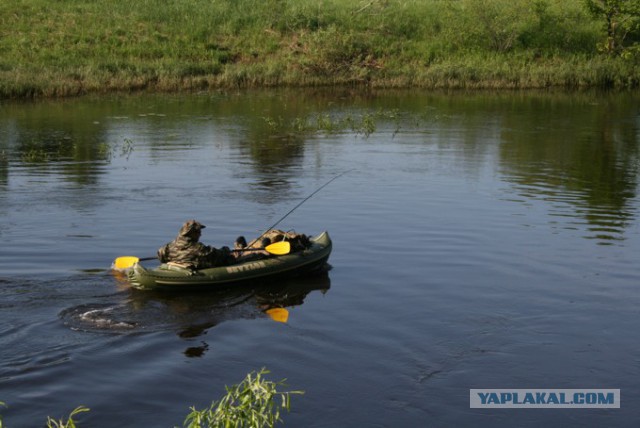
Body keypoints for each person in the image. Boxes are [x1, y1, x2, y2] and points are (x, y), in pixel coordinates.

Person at [157, 220, 235, 269]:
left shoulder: (168, 247)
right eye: (198, 232)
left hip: (175, 266)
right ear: (192, 234)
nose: (200, 234)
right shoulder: (198, 248)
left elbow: (160, 254)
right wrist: (226, 250)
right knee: (228, 259)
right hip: (189, 270)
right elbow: (215, 254)